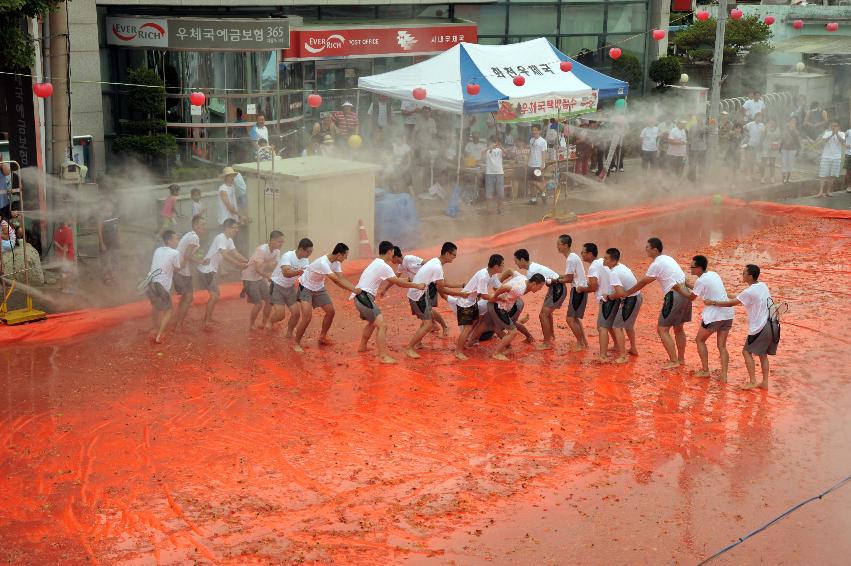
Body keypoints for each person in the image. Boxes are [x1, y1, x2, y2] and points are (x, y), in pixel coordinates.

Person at [703, 264, 778, 390]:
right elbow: (739, 297)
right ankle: (764, 382)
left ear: (749, 276)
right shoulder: (762, 286)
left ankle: (753, 381)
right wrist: (723, 293)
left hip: (759, 327)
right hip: (771, 325)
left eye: (743, 273)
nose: (742, 275)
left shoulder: (750, 291)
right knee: (763, 355)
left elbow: (731, 303)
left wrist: (712, 302)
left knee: (746, 352)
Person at [621, 238, 690, 369]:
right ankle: (680, 359)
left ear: (655, 250)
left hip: (674, 294)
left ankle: (674, 360)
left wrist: (627, 293)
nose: (645, 250)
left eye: (647, 247)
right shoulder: (668, 258)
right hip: (685, 292)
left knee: (662, 329)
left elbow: (643, 282)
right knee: (679, 329)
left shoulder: (656, 264)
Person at [353, 241, 425, 364]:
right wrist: (416, 285)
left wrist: (408, 280)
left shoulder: (376, 263)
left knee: (372, 322)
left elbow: (395, 280)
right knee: (382, 325)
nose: (393, 256)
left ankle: (362, 346)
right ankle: (383, 356)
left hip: (360, 297)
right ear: (390, 251)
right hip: (364, 297)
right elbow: (398, 283)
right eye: (392, 252)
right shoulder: (383, 266)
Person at [404, 242, 470, 359]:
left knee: (426, 320)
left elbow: (443, 283)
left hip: (419, 294)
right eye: (454, 255)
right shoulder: (437, 266)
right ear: (447, 253)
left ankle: (418, 343)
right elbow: (442, 289)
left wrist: (461, 285)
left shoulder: (435, 262)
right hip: (418, 295)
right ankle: (409, 347)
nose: (454, 258)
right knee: (428, 324)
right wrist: (460, 294)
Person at [293, 243, 360, 353]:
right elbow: (336, 280)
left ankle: (322, 337)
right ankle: (296, 343)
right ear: (339, 254)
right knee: (307, 317)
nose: (346, 258)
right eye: (345, 256)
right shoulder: (323, 263)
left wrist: (354, 288)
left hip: (318, 287)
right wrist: (354, 290)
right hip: (305, 286)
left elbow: (341, 278)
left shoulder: (336, 262)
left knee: (330, 311)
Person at [682, 255, 735, 382]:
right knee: (722, 346)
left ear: (700, 268)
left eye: (693, 267)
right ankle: (724, 375)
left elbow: (691, 297)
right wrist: (687, 284)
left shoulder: (701, 281)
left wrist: (678, 288)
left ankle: (705, 370)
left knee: (699, 340)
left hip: (715, 316)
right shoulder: (713, 274)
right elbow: (699, 290)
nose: (690, 269)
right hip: (728, 314)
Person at [197, 218, 249, 330]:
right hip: (207, 270)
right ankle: (206, 322)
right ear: (227, 228)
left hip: (212, 270)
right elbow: (224, 254)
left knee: (216, 295)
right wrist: (238, 265)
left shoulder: (229, 240)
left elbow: (235, 253)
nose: (237, 230)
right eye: (234, 228)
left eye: (237, 228)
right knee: (214, 295)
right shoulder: (221, 237)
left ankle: (208, 318)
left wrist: (247, 261)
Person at [454, 254, 505, 360]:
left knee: (474, 323)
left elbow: (500, 288)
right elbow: (484, 296)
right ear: (496, 266)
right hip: (465, 303)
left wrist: (509, 292)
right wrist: (498, 298)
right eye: (502, 265)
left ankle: (466, 343)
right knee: (467, 328)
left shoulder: (492, 275)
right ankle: (458, 351)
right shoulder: (483, 276)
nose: (503, 267)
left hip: (472, 301)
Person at [486, 271, 546, 360]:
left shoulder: (523, 278)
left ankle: (507, 348)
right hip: (498, 307)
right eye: (540, 287)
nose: (540, 289)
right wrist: (494, 297)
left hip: (501, 306)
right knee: (512, 331)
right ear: (534, 283)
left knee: (507, 327)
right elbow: (504, 287)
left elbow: (510, 270)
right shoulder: (520, 289)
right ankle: (497, 353)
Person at [577, 243, 621, 362]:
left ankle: (603, 355)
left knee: (601, 327)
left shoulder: (593, 267)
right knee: (609, 324)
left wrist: (581, 289)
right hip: (614, 295)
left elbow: (593, 287)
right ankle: (617, 346)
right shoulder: (603, 261)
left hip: (606, 298)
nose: (581, 254)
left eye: (583, 252)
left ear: (590, 254)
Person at [513, 248, 560, 350]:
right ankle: (551, 337)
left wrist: (511, 296)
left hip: (557, 288)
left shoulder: (532, 271)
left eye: (516, 261)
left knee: (543, 315)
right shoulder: (533, 267)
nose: (515, 264)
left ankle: (547, 343)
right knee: (547, 314)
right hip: (556, 287)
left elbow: (526, 290)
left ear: (522, 260)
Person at [603, 248, 642, 361]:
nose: (603, 260)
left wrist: (609, 296)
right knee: (628, 326)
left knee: (617, 326)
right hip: (637, 297)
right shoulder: (621, 266)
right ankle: (633, 348)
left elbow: (620, 293)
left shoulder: (614, 273)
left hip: (631, 300)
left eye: (606, 258)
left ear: (613, 261)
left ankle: (622, 356)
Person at [242, 230, 284, 330]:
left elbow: (276, 267)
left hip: (260, 277)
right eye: (279, 241)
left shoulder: (277, 252)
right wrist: (268, 276)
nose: (281, 244)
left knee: (269, 300)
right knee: (258, 304)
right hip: (249, 278)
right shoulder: (262, 250)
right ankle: (251, 324)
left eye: (282, 242)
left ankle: (264, 323)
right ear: (272, 240)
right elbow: (257, 268)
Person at [553, 234, 588, 351]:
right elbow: (569, 276)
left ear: (566, 245)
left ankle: (580, 343)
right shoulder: (573, 257)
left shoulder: (570, 259)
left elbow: (569, 279)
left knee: (570, 319)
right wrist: (559, 277)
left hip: (578, 290)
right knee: (575, 318)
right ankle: (583, 342)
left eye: (559, 244)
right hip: (580, 289)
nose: (557, 246)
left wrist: (556, 280)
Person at [173, 215, 208, 330]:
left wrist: (200, 261)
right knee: (188, 297)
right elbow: (187, 255)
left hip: (179, 268)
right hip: (181, 270)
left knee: (185, 297)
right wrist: (183, 266)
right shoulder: (194, 238)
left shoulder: (190, 235)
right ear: (195, 226)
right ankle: (178, 325)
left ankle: (177, 321)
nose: (205, 227)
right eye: (202, 224)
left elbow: (188, 255)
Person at [146, 230, 181, 344]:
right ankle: (159, 335)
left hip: (151, 282)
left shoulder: (158, 250)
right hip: (161, 284)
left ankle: (155, 329)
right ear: (169, 240)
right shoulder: (175, 253)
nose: (177, 241)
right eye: (176, 239)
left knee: (156, 307)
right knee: (169, 310)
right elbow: (177, 268)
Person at [816, 122, 846, 198]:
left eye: (835, 126)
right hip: (826, 157)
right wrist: (832, 134)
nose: (834, 127)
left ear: (838, 127)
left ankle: (828, 191)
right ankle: (820, 192)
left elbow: (843, 142)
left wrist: (837, 134)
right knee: (822, 175)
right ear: (830, 127)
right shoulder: (827, 133)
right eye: (832, 126)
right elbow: (823, 141)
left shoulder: (842, 133)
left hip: (836, 157)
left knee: (832, 175)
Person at [97, 194, 120, 286]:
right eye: (107, 204)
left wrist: (118, 239)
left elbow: (117, 228)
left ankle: (113, 276)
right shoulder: (101, 216)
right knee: (105, 260)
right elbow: (99, 231)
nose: (109, 206)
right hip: (105, 241)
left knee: (113, 260)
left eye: (110, 204)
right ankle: (106, 277)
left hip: (113, 240)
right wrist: (101, 243)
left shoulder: (114, 215)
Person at [53, 218, 76, 294]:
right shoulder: (68, 231)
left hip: (59, 255)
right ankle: (66, 289)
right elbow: (66, 247)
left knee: (62, 272)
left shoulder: (58, 231)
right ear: (66, 221)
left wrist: (60, 248)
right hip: (67, 256)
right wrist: (64, 257)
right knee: (68, 273)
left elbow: (55, 242)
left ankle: (62, 287)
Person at [484, 137, 505, 214]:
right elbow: (481, 154)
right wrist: (489, 147)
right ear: (489, 142)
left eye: (495, 142)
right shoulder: (487, 150)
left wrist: (501, 147)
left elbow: (508, 154)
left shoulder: (500, 150)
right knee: (489, 193)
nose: (494, 144)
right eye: (493, 142)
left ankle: (499, 209)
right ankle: (488, 210)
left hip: (499, 173)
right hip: (489, 173)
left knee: (501, 194)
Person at [742, 112, 766, 180]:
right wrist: (747, 135)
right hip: (749, 145)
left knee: (754, 162)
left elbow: (764, 134)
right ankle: (747, 175)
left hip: (757, 146)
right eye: (758, 116)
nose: (759, 118)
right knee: (749, 161)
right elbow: (743, 128)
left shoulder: (762, 125)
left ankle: (752, 175)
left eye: (760, 117)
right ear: (755, 117)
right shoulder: (751, 124)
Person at [527, 124, 548, 199]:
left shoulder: (543, 141)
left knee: (536, 181)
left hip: (538, 165)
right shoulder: (531, 140)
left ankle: (543, 192)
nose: (534, 131)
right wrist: (527, 162)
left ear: (540, 131)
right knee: (530, 182)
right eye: (533, 130)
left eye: (536, 130)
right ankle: (533, 199)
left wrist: (542, 164)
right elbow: (530, 151)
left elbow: (544, 153)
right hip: (530, 164)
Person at [779, 117, 801, 184]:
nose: (793, 122)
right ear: (789, 121)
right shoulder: (786, 128)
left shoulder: (796, 129)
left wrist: (798, 149)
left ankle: (787, 179)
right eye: (792, 120)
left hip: (793, 149)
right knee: (784, 163)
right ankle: (783, 179)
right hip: (784, 148)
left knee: (790, 164)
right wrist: (780, 147)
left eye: (795, 121)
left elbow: (798, 139)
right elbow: (783, 138)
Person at [687, 117, 707, 183]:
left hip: (702, 149)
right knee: (694, 165)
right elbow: (689, 138)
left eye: (703, 119)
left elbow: (709, 138)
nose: (702, 120)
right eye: (701, 119)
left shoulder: (706, 127)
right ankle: (693, 180)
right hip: (695, 149)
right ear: (698, 119)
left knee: (701, 165)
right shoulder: (693, 127)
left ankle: (700, 180)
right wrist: (688, 149)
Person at [760, 119, 781, 183]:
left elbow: (777, 136)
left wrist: (769, 133)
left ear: (775, 122)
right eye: (770, 121)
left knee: (772, 163)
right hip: (765, 147)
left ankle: (772, 177)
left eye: (773, 121)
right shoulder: (764, 128)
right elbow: (762, 136)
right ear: (768, 122)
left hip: (773, 148)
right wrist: (766, 129)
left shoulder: (777, 129)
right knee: (763, 163)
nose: (771, 123)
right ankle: (762, 177)